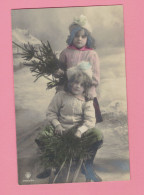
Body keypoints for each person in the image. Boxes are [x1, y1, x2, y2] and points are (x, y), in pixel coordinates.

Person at [38, 66, 103, 182]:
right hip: (60, 128)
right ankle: (49, 164)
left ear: (85, 87)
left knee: (97, 135)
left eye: (82, 85)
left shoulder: (87, 100)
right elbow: (51, 112)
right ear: (70, 83)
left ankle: (88, 167)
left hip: (77, 131)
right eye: (75, 83)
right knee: (42, 135)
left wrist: (80, 130)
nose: (78, 86)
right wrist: (57, 124)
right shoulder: (61, 96)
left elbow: (90, 120)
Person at [55, 15, 103, 123]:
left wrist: (88, 89)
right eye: (76, 36)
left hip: (86, 90)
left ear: (88, 38)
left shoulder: (91, 54)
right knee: (66, 117)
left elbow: (95, 76)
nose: (79, 39)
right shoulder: (65, 52)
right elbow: (60, 70)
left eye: (83, 36)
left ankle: (86, 132)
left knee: (87, 118)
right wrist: (58, 73)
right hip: (68, 88)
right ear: (71, 37)